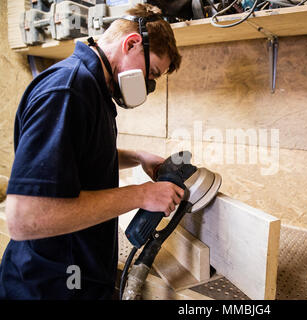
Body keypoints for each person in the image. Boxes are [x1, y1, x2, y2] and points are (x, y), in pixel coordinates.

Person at [0, 4, 184, 299]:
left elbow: (76, 156)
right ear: (132, 43)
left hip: (75, 279)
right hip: (48, 287)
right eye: (151, 73)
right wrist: (143, 194)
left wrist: (136, 157)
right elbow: (26, 219)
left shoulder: (92, 88)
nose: (148, 86)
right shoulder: (68, 91)